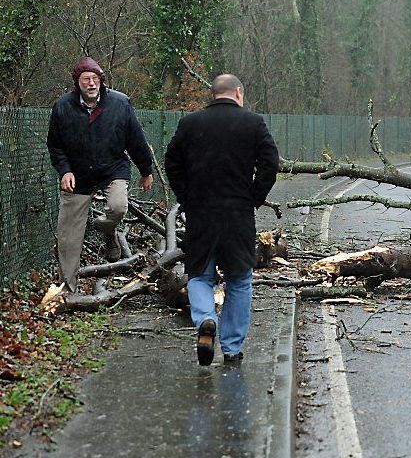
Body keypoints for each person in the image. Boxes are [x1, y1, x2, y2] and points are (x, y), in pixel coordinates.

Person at [164, 74, 279, 366]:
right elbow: (270, 163)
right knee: (239, 280)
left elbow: (172, 162)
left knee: (200, 276)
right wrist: (254, 196)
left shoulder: (190, 123)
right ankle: (231, 348)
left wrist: (187, 197)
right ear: (238, 93)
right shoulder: (253, 123)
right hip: (238, 214)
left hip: (201, 213)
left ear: (213, 94)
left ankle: (205, 320)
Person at [47, 56, 154, 292]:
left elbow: (136, 140)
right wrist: (64, 171)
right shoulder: (63, 106)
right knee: (68, 235)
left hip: (112, 167)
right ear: (77, 83)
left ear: (102, 81)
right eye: (86, 79)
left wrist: (146, 170)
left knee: (118, 207)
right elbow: (55, 145)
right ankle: (68, 288)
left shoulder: (120, 103)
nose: (92, 84)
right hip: (78, 173)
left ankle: (107, 228)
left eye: (96, 79)